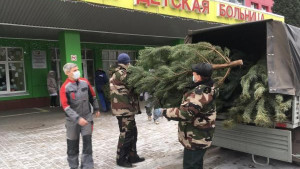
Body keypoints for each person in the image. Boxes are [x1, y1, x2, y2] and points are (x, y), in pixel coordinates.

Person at [162, 63, 217, 169]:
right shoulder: (209, 86)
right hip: (200, 136)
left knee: (190, 165)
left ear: (199, 76)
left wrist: (163, 112)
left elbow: (185, 114)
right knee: (196, 163)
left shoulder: (200, 93)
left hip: (195, 138)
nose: (193, 75)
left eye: (194, 73)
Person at [60, 63, 100, 169]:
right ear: (67, 73)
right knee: (72, 145)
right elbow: (66, 107)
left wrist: (96, 108)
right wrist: (77, 118)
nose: (77, 72)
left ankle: (87, 166)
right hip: (72, 121)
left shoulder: (85, 82)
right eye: (74, 70)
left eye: (77, 69)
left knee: (87, 143)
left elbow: (93, 96)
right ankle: (73, 166)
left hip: (87, 118)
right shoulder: (65, 87)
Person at [110, 53, 145, 168]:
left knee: (132, 132)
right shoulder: (122, 73)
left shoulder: (119, 72)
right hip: (124, 109)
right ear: (127, 62)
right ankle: (121, 159)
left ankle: (132, 155)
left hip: (126, 108)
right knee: (126, 134)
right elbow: (135, 85)